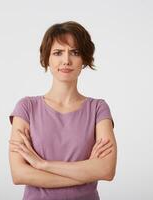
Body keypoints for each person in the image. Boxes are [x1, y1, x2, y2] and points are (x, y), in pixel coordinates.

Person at [8, 21, 117, 200]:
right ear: (47, 59)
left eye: (75, 52)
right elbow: (19, 174)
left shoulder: (98, 108)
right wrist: (86, 171)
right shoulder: (26, 108)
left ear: (84, 60)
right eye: (58, 53)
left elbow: (106, 170)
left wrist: (42, 165)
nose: (66, 60)